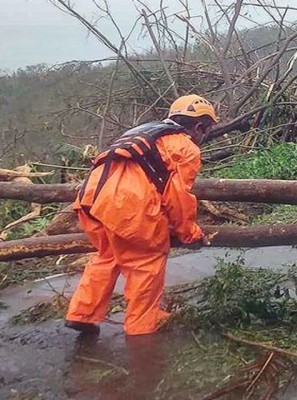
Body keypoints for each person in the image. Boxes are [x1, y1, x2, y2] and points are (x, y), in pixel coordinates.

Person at [65, 95, 218, 336]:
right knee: (146, 262)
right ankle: (141, 331)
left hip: (90, 201)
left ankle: (81, 314)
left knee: (107, 256)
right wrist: (190, 234)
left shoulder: (141, 133)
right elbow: (178, 197)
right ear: (199, 127)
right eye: (206, 129)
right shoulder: (185, 147)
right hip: (127, 207)